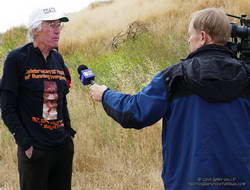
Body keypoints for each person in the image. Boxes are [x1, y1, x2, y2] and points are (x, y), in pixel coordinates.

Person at [89, 8, 250, 190]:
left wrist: (105, 95)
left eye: (190, 35)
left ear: (203, 37)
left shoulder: (174, 77)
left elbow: (134, 112)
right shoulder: (246, 77)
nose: (189, 40)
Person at [1, 6, 76, 190]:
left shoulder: (58, 60)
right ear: (35, 29)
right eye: (50, 24)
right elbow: (7, 106)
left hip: (61, 148)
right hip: (35, 150)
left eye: (58, 24)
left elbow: (60, 100)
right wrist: (25, 143)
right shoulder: (17, 59)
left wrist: (68, 134)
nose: (57, 29)